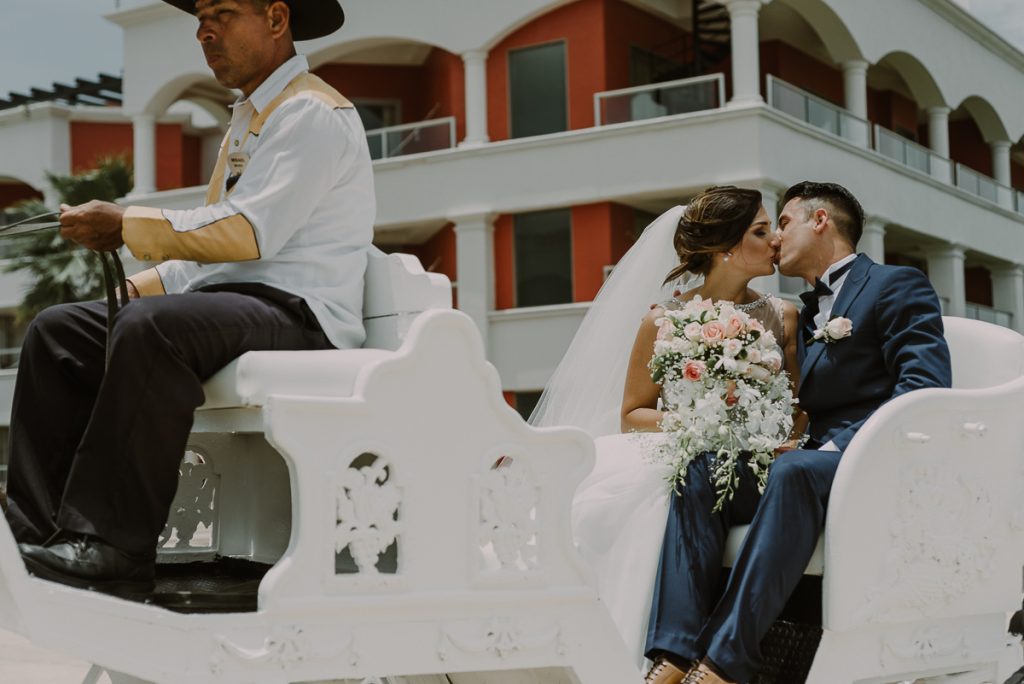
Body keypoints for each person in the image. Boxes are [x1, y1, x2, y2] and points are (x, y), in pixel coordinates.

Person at [6, 0, 374, 596]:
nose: (205, 30)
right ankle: (37, 536)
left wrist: (126, 226)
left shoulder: (311, 113)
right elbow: (210, 252)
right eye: (200, 18)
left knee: (152, 329)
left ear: (277, 19)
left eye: (223, 13)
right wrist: (132, 287)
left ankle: (111, 546)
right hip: (232, 304)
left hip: (299, 314)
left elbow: (249, 233)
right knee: (58, 329)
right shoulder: (250, 120)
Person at [644, 182, 952, 684]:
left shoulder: (897, 284)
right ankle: (674, 653)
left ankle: (722, 662)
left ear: (821, 221)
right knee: (701, 470)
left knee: (795, 469)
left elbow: (925, 391)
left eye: (782, 223)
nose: (775, 238)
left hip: (873, 460)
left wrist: (832, 446)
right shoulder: (801, 312)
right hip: (805, 464)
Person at [530, 186, 803, 668]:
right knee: (629, 503)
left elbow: (796, 407)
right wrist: (704, 422)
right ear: (726, 248)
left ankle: (673, 657)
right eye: (761, 231)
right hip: (692, 451)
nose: (776, 239)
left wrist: (777, 431)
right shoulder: (663, 321)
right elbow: (633, 413)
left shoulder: (783, 316)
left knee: (690, 481)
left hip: (756, 467)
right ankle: (641, 656)